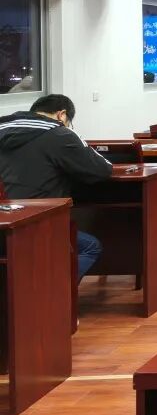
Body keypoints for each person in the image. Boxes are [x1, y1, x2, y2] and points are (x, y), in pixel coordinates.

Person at [0, 94, 106, 283]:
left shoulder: (3, 128)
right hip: (37, 223)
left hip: (4, 223)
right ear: (61, 115)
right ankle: (54, 294)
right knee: (89, 247)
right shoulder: (59, 134)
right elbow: (101, 170)